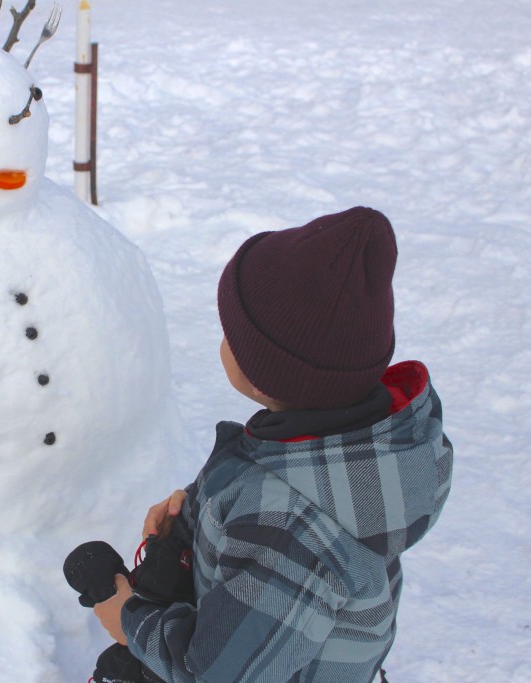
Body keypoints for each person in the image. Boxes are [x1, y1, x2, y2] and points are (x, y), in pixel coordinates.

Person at [92, 207, 454, 682]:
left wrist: (127, 621)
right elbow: (263, 495)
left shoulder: (291, 531)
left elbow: (215, 674)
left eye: (233, 334)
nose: (222, 339)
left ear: (266, 376)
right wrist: (202, 515)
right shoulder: (347, 448)